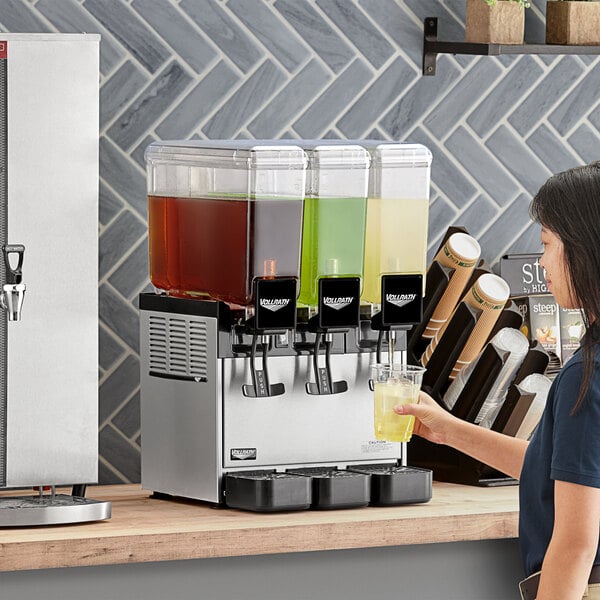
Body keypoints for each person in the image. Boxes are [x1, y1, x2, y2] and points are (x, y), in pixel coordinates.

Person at [396, 162, 600, 600]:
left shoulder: (586, 377)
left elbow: (576, 544)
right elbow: (556, 469)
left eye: (547, 244)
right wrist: (449, 430)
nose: (542, 261)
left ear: (584, 251)